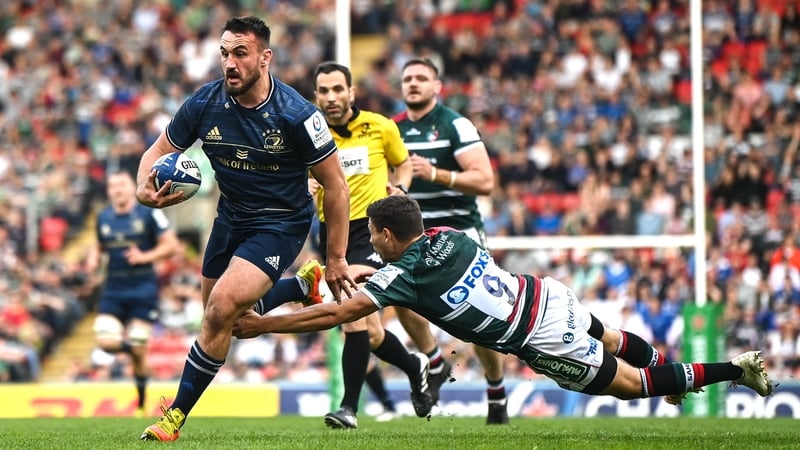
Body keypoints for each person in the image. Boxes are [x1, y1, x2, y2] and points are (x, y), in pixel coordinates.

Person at [233, 196, 775, 411]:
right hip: (545, 293)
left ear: (389, 235)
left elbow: (336, 313)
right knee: (609, 336)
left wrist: (264, 326)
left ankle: (734, 369)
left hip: (538, 336)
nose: (368, 241)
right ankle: (667, 370)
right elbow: (413, 273)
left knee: (633, 387)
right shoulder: (448, 235)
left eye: (372, 235)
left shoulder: (404, 273)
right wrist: (360, 268)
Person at [135, 16, 354, 442]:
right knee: (222, 323)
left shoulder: (296, 114)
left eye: (240, 53)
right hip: (231, 216)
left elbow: (335, 186)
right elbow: (157, 151)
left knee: (221, 309)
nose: (229, 63)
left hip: (280, 223)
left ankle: (173, 418)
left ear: (264, 58)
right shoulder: (204, 104)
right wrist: (146, 191)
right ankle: (297, 288)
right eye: (224, 53)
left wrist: (336, 258)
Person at [255, 61, 432, 428]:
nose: (332, 97)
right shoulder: (304, 135)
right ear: (315, 96)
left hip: (373, 233)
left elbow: (404, 165)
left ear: (351, 92)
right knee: (371, 331)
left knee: (352, 317)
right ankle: (414, 365)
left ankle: (349, 408)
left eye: (339, 89)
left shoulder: (381, 127)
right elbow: (292, 183)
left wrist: (401, 188)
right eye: (324, 91)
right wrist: (303, 188)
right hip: (330, 231)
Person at [392, 57, 509, 424]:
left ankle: (496, 390)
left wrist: (437, 174)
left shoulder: (454, 124)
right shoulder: (391, 129)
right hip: (415, 234)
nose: (413, 84)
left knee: (480, 317)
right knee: (399, 295)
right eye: (408, 78)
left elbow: (486, 181)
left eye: (421, 78)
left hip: (460, 229)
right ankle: (436, 361)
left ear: (437, 86)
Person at [86, 170, 179, 417]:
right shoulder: (103, 217)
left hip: (143, 288)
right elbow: (99, 244)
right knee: (105, 342)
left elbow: (171, 246)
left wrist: (144, 257)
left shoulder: (150, 213)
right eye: (112, 186)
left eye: (122, 185)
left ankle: (139, 403)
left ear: (131, 188)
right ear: (108, 191)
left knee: (139, 352)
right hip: (113, 288)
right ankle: (134, 348)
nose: (117, 189)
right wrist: (94, 258)